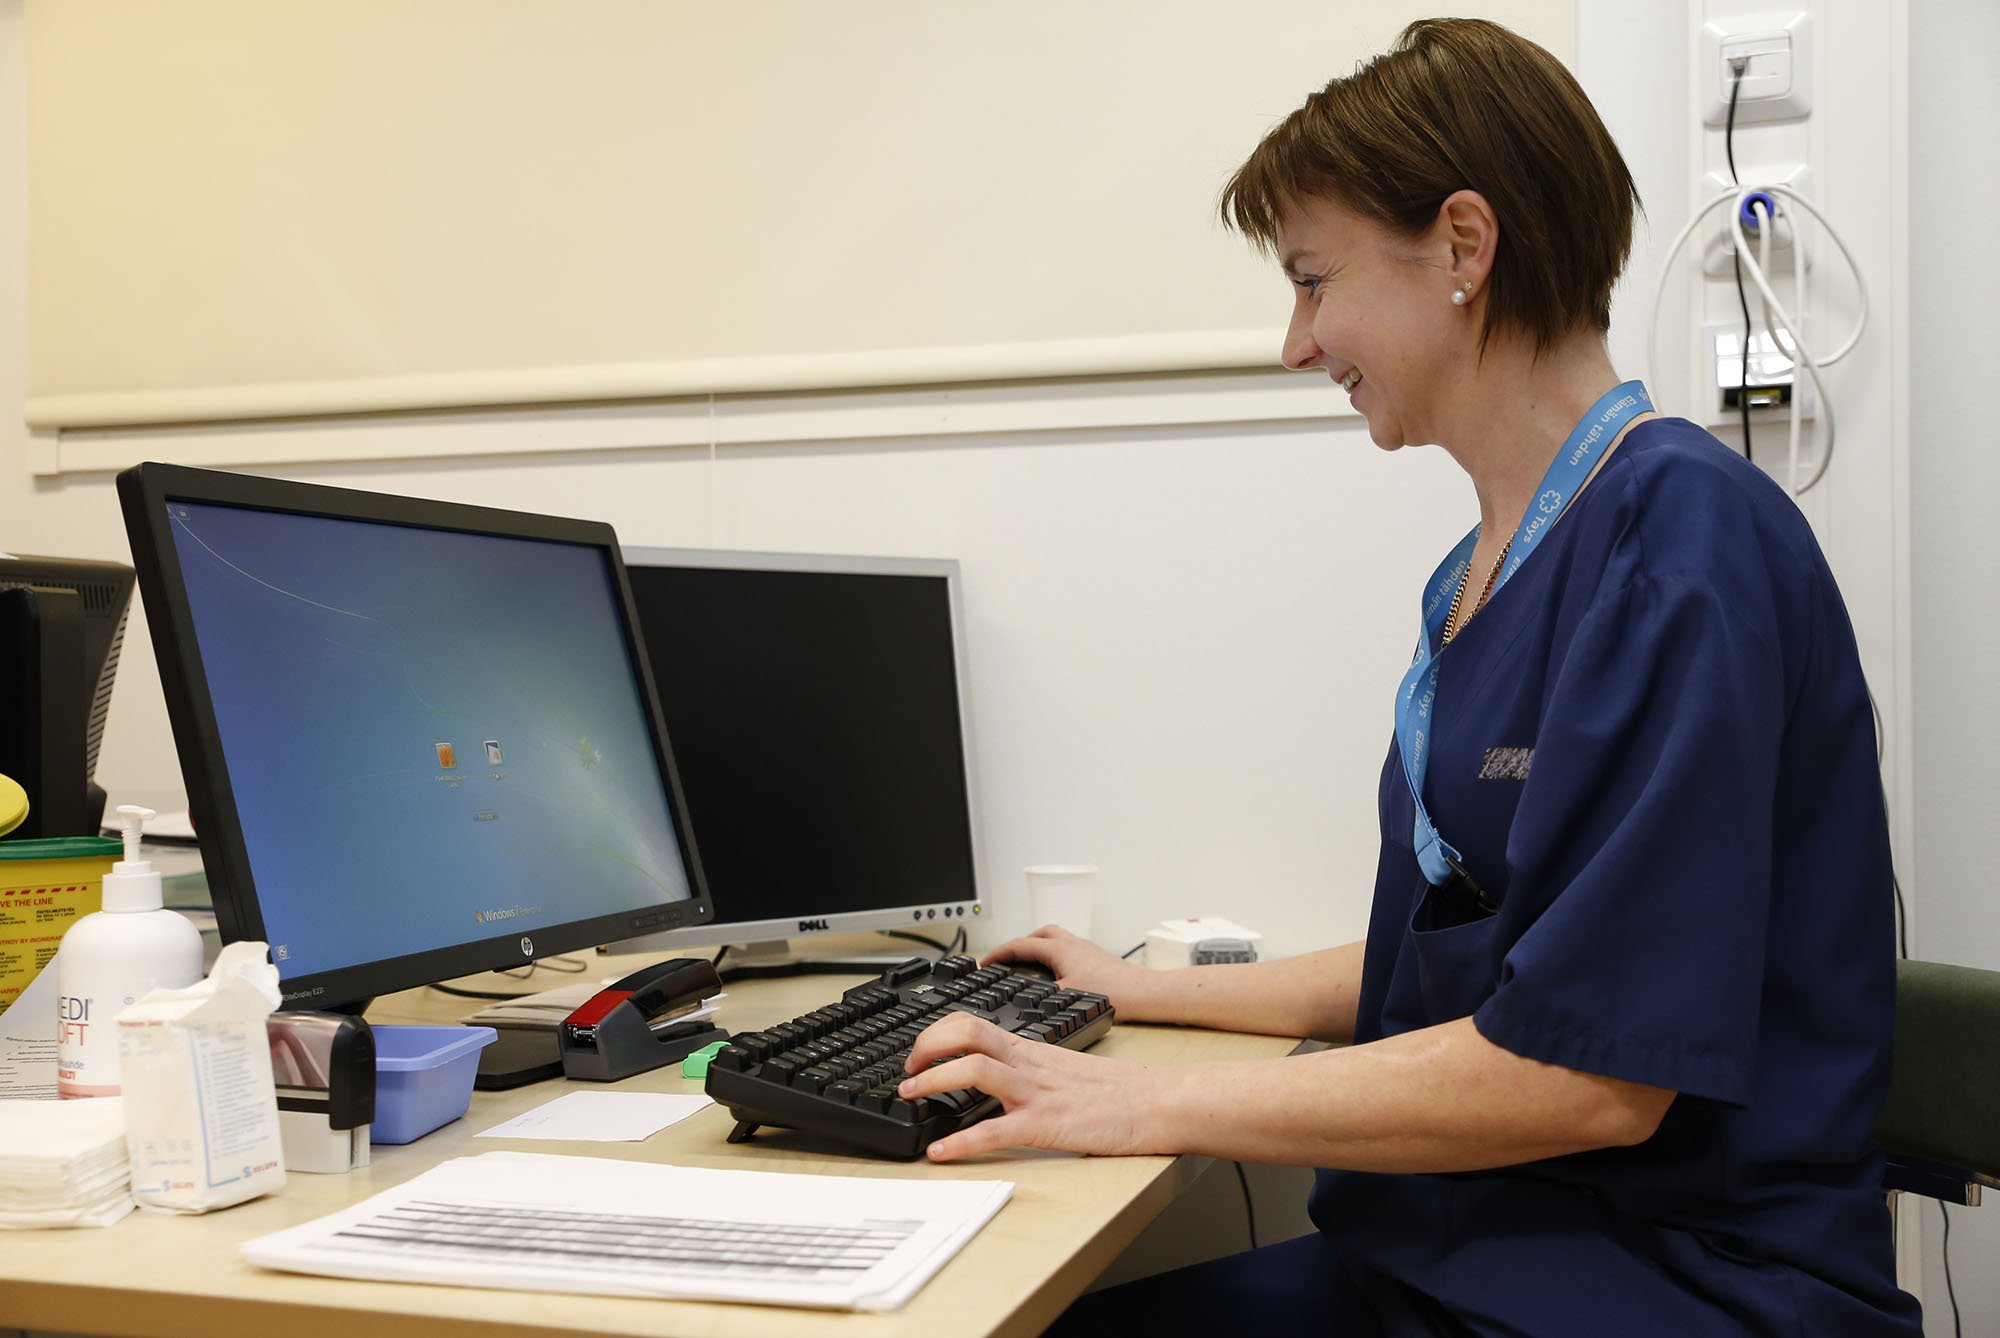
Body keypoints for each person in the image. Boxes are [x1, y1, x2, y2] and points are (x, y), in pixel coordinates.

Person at [896, 18, 1922, 1336]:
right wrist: (1135, 991)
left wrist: (1134, 1098)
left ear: (1462, 247)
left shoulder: (1679, 547)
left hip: (1674, 1284)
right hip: (1476, 1251)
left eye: (1314, 281)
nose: (1296, 339)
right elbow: (1461, 958)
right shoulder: (1483, 574)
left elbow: (1587, 1071)